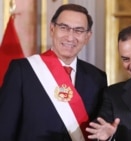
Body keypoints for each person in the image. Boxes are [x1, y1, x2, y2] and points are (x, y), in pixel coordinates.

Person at [0, 3, 107, 141]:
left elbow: (98, 130)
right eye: (64, 28)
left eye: (79, 30)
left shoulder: (97, 78)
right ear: (52, 29)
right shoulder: (22, 71)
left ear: (88, 36)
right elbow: (4, 129)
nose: (70, 37)